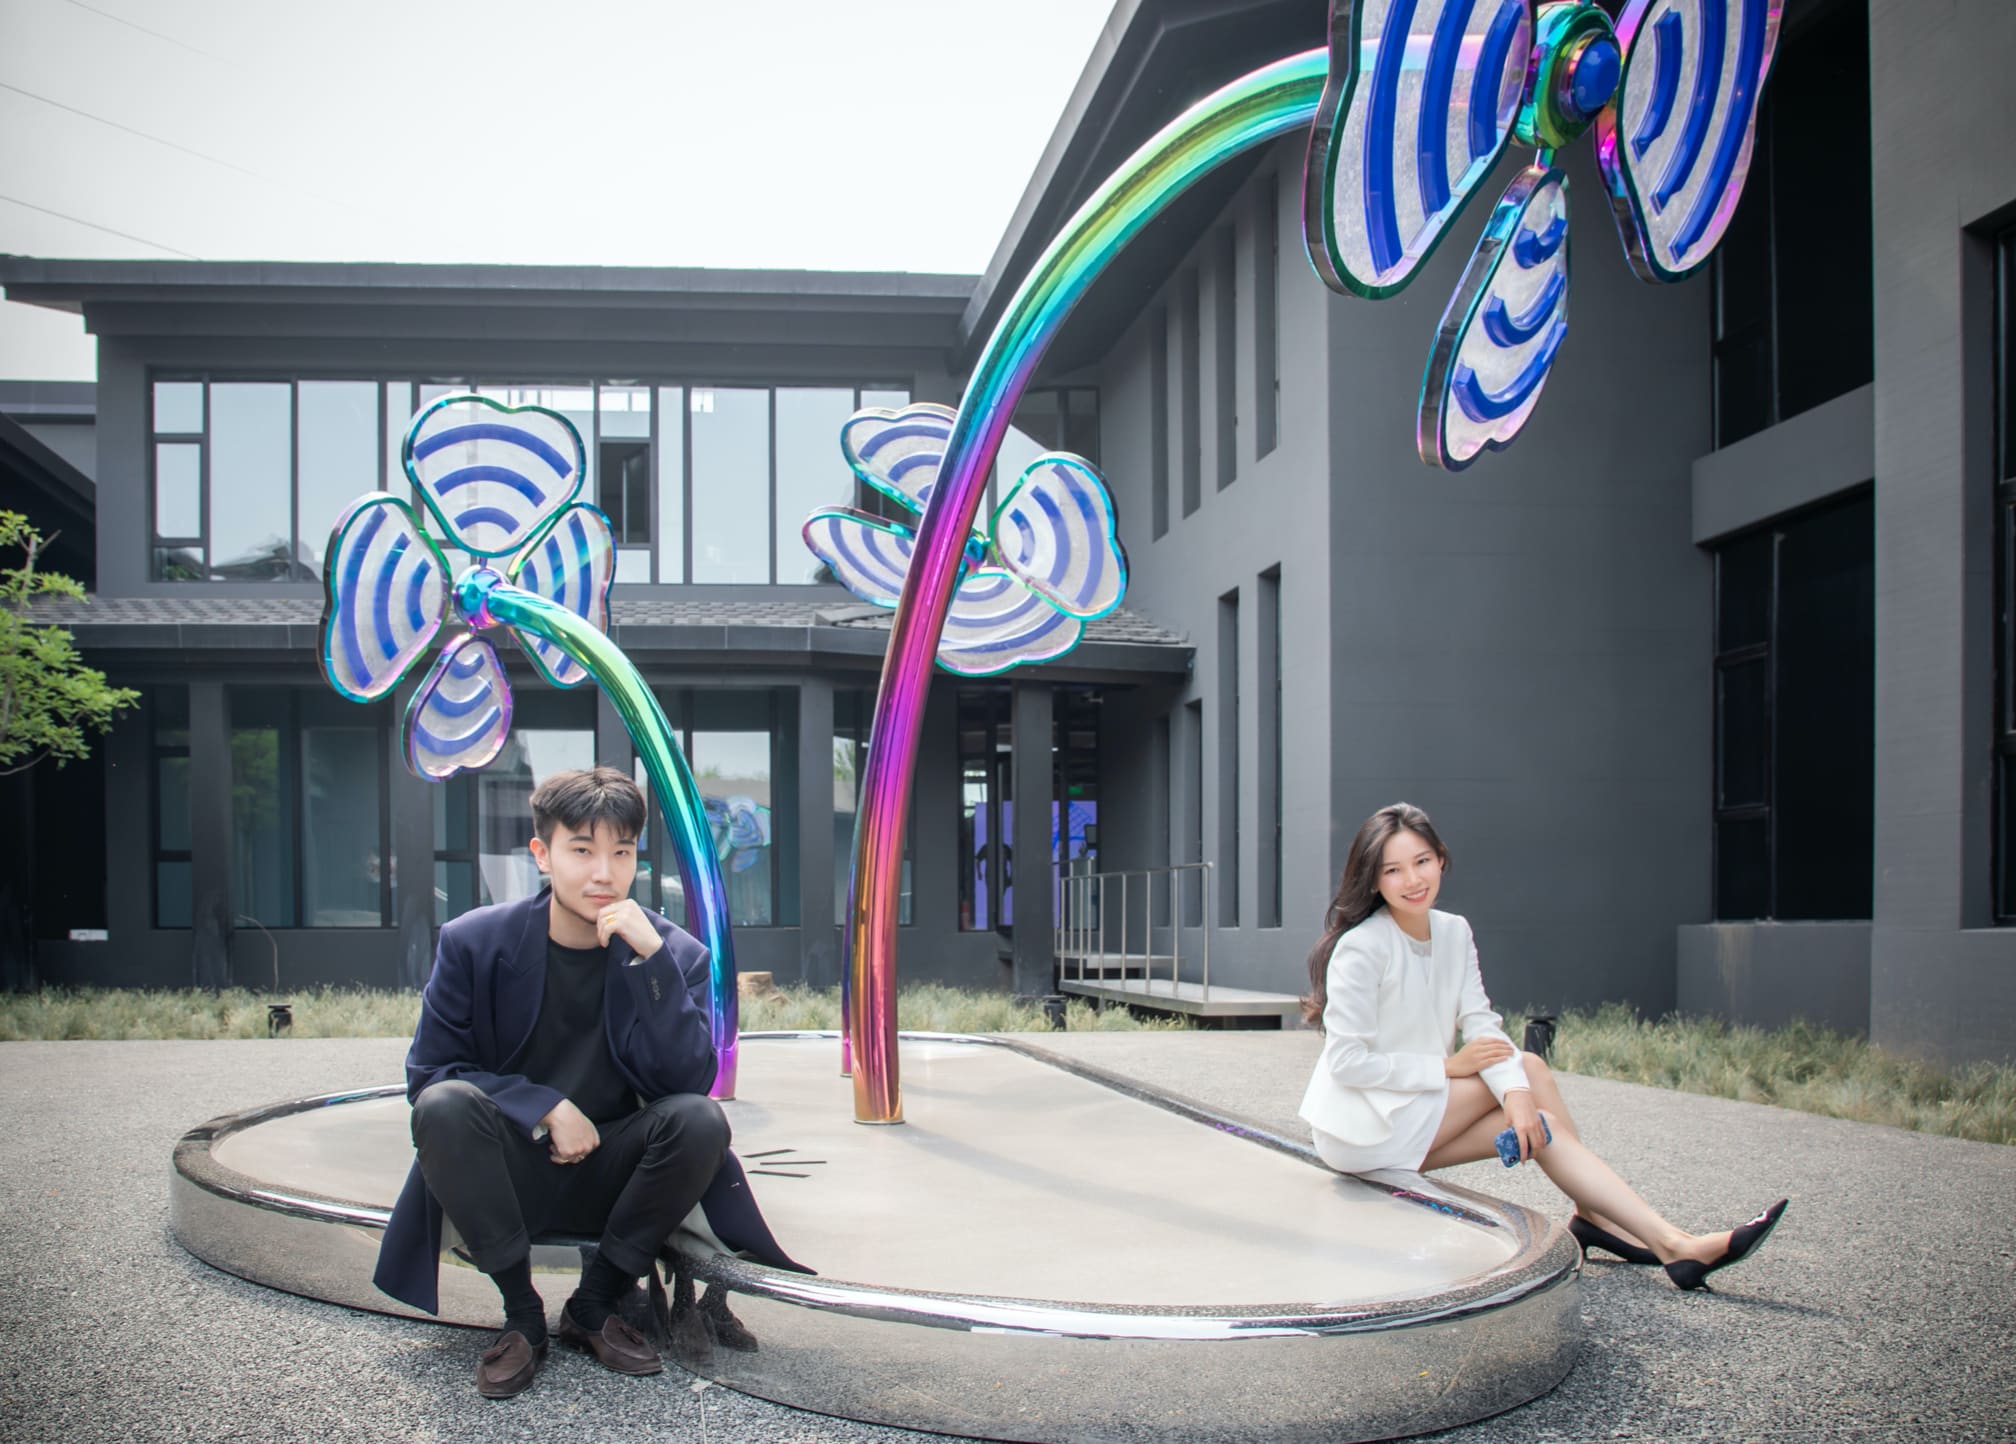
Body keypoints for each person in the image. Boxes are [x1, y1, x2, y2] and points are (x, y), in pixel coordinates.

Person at [373, 766, 804, 1398]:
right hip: (512, 1168)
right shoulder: (474, 942)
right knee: (443, 1106)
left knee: (700, 1120)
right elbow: (429, 1073)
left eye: (621, 852)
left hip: (618, 1175)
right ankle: (522, 1315)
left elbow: (689, 1081)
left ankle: (593, 1302)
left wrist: (650, 965)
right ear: (543, 854)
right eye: (582, 850)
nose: (604, 872)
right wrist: (543, 1106)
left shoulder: (673, 953)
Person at [1299, 802, 1786, 1292]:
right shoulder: (1362, 947)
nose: (1413, 880)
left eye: (1422, 861)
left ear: (1442, 858)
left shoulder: (1453, 930)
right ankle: (1624, 1227)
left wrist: (1516, 1098)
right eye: (1393, 870)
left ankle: (1660, 1240)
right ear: (1374, 880)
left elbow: (1481, 1022)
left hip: (1417, 1117)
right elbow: (1347, 1063)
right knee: (1526, 1075)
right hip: (1362, 1127)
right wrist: (1448, 1068)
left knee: (1536, 1101)